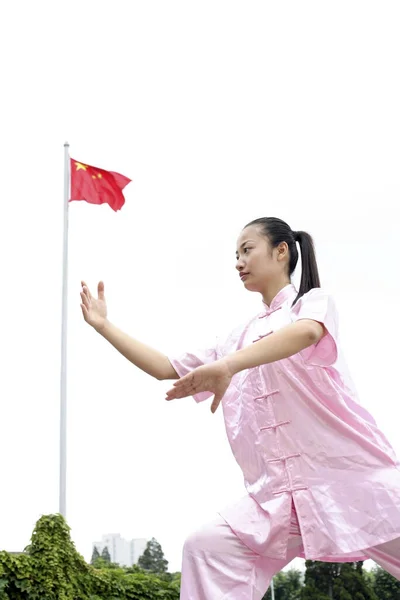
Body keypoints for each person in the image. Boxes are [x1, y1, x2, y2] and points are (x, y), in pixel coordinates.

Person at [81, 216, 400, 599]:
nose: (238, 261)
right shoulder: (235, 338)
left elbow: (307, 332)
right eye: (236, 254)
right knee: (206, 548)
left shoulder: (311, 304)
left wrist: (229, 365)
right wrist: (103, 325)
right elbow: (164, 367)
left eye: (247, 250)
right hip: (276, 500)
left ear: (281, 251)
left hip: (351, 479)